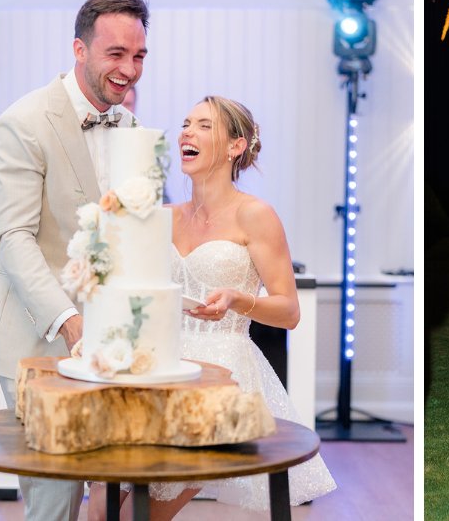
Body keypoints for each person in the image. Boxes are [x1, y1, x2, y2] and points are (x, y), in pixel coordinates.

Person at [88, 94, 336, 521]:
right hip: (156, 365)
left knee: (139, 516)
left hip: (220, 374)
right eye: (185, 123)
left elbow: (289, 311)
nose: (187, 131)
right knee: (98, 508)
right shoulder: (161, 215)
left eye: (203, 125)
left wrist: (239, 300)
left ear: (236, 146)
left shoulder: (256, 215)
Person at [0, 0, 149, 521]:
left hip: (113, 337)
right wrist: (69, 322)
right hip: (37, 334)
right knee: (55, 493)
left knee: (115, 479)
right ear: (79, 49)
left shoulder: (132, 130)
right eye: (116, 54)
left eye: (138, 56)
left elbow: (133, 234)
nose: (129, 69)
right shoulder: (22, 123)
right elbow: (13, 238)